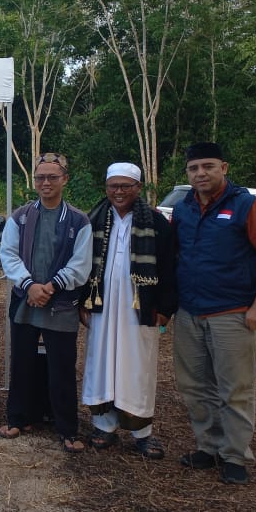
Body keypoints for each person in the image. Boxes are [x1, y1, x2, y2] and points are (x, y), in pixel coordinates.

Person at [171, 142, 256, 485]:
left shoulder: (248, 206)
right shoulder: (184, 207)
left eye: (208, 166)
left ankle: (235, 455)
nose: (200, 173)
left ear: (224, 167)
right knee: (194, 385)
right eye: (194, 168)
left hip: (232, 312)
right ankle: (208, 447)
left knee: (234, 387)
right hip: (190, 311)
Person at [79, 162, 177, 459]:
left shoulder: (157, 223)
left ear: (138, 188)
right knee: (101, 363)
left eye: (125, 186)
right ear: (106, 188)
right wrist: (83, 301)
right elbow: (83, 265)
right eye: (113, 186)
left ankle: (141, 432)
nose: (118, 192)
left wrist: (165, 308)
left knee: (138, 367)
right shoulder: (94, 220)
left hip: (140, 308)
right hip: (102, 307)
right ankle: (103, 426)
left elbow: (171, 266)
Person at [0, 152, 92, 453]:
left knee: (62, 366)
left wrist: (50, 287)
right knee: (21, 362)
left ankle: (67, 428)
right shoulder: (21, 216)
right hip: (25, 299)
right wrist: (29, 286)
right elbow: (8, 254)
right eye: (41, 177)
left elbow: (81, 264)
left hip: (60, 303)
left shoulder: (78, 220)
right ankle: (18, 418)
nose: (46, 182)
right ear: (34, 181)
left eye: (52, 176)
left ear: (65, 179)